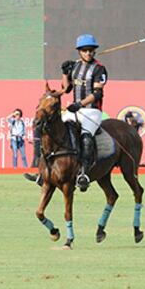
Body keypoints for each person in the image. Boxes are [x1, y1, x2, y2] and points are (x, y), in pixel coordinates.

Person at [60, 34, 108, 190]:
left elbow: (97, 94)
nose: (88, 53)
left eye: (91, 50)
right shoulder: (75, 66)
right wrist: (64, 73)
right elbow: (66, 89)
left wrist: (79, 104)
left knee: (86, 137)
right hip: (74, 109)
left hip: (91, 111)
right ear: (79, 51)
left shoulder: (99, 68)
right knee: (53, 130)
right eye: (85, 50)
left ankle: (83, 173)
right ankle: (44, 170)